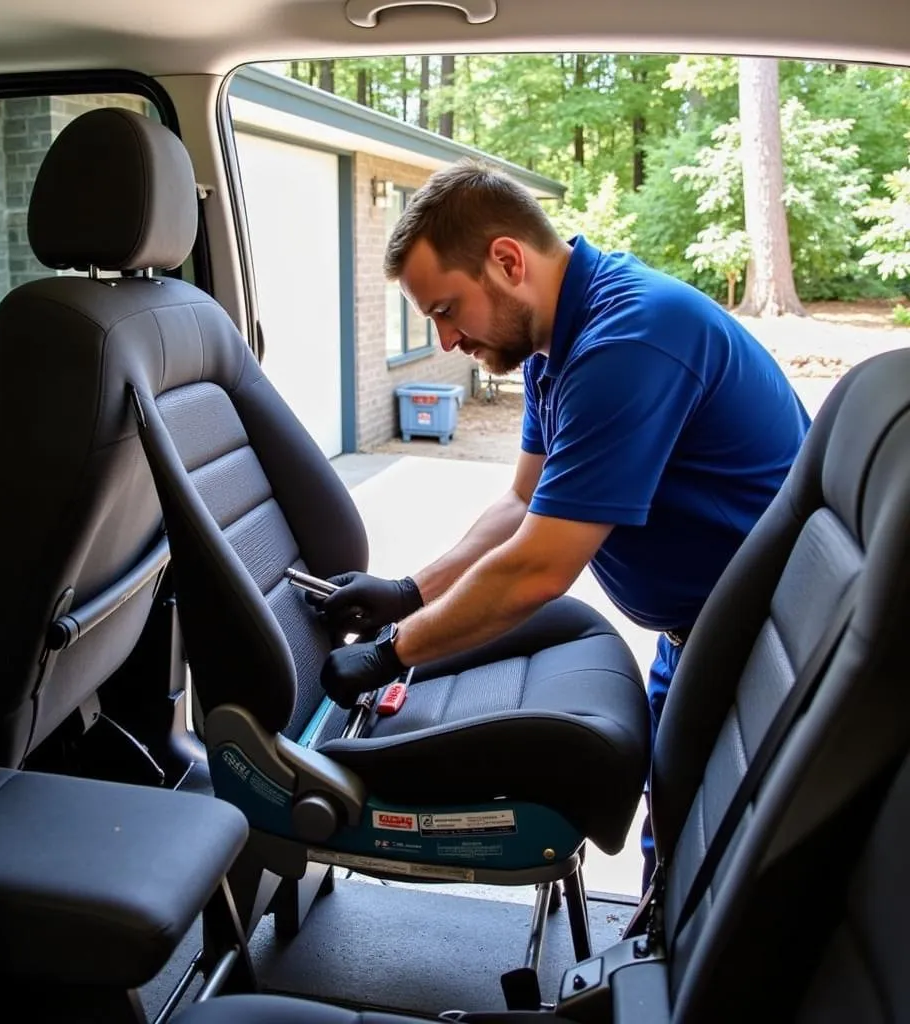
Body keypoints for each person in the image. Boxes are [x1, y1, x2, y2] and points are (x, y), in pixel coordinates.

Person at [312, 158, 811, 892]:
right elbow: (522, 505)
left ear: (507, 261)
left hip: (769, 645)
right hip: (704, 630)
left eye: (447, 310)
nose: (446, 342)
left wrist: (392, 654)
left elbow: (538, 569)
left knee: (711, 875)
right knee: (674, 849)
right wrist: (406, 590)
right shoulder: (559, 341)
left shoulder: (629, 341)